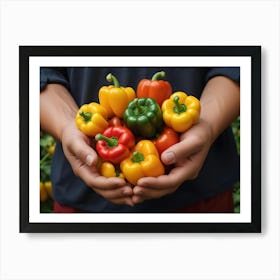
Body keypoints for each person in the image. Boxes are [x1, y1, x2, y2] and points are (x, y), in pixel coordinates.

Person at [40, 67, 240, 213]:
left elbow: (241, 60)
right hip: (79, 204)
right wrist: (66, 126)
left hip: (202, 198)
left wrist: (208, 125)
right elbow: (34, 68)